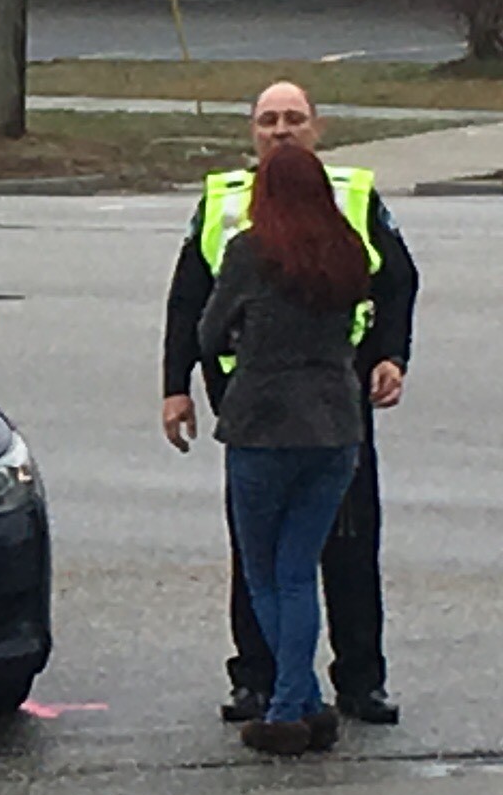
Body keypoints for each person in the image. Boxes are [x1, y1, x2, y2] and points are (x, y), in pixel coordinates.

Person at [160, 81, 416, 724]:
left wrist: (393, 355)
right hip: (257, 408)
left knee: (339, 553)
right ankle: (260, 678)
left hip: (338, 403)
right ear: (251, 131)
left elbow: (400, 283)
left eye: (293, 119)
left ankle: (356, 681)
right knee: (268, 561)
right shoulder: (221, 203)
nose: (280, 130)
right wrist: (175, 386)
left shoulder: (354, 199)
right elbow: (185, 299)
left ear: (317, 129)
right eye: (269, 120)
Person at [193, 144, 384, 756]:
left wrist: (247, 337)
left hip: (263, 425)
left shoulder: (251, 251)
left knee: (263, 572)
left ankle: (286, 707)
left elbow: (208, 330)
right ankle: (305, 703)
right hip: (335, 424)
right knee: (300, 570)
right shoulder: (348, 250)